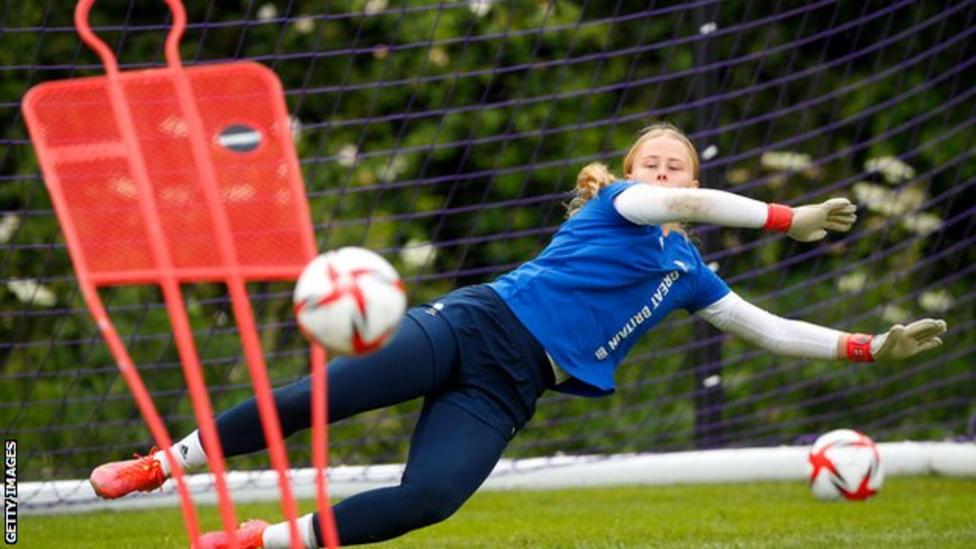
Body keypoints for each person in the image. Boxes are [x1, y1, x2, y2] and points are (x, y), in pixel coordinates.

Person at [89, 122, 948, 548]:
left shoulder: (689, 272)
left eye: (675, 162)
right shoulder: (626, 203)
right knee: (316, 401)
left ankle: (258, 542)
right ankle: (163, 463)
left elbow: (768, 327)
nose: (661, 172)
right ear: (631, 172)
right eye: (650, 159)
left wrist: (867, 344)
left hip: (509, 387)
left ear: (697, 170)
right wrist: (788, 216)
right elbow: (685, 207)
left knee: (431, 500)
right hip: (472, 327)